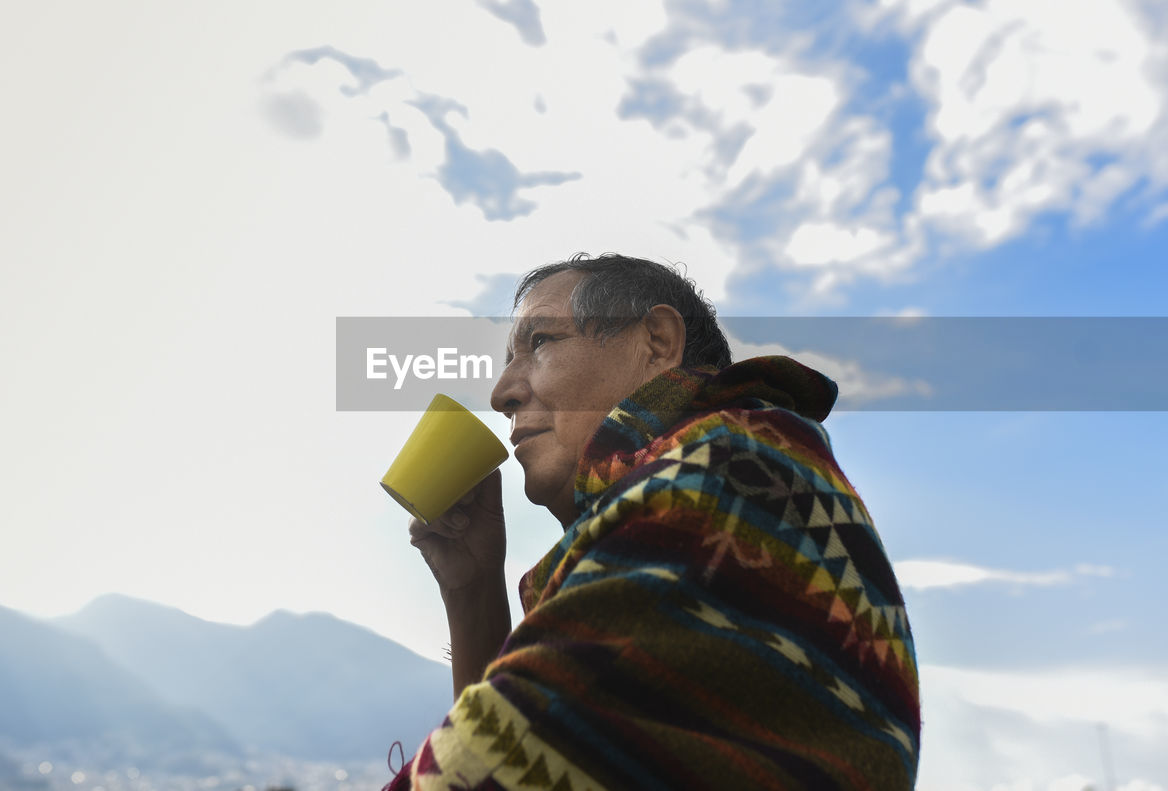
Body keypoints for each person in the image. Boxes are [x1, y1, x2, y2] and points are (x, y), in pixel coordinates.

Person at [389, 254, 920, 790]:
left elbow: (505, 764)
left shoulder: (737, 470)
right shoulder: (704, 484)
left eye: (541, 342)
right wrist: (473, 591)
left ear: (658, 342)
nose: (502, 392)